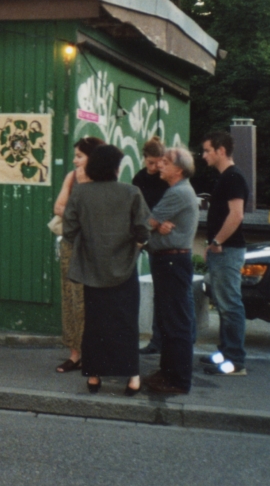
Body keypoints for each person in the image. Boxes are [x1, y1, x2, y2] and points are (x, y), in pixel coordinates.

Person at [63, 144, 151, 395]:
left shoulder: (81, 194)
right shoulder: (131, 192)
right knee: (125, 322)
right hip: (124, 267)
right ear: (115, 167)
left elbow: (69, 231)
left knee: (95, 324)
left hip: (92, 268)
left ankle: (94, 376)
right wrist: (135, 244)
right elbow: (143, 229)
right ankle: (132, 377)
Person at [143, 147, 200, 395]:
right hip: (169, 262)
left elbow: (147, 223)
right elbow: (153, 224)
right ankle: (167, 373)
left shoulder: (177, 193)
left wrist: (154, 228)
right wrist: (156, 228)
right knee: (169, 320)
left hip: (171, 263)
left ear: (179, 169)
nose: (159, 166)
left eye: (165, 162)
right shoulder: (177, 191)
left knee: (175, 322)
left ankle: (177, 379)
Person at [51, 135, 104, 374]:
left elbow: (99, 213)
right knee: (71, 298)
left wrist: (76, 211)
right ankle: (74, 354)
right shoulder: (71, 178)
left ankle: (92, 352)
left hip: (94, 248)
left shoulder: (104, 180)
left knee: (90, 301)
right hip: (71, 245)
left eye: (79, 156)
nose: (74, 161)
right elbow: (58, 207)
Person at [200, 130, 249, 376]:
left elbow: (236, 214)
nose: (203, 155)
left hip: (229, 249)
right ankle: (224, 354)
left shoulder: (233, 177)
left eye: (207, 150)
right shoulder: (226, 177)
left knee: (230, 304)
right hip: (222, 248)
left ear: (221, 151)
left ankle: (235, 362)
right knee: (223, 303)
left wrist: (217, 240)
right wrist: (213, 244)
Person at [133, 136, 169, 355]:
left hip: (157, 235)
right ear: (144, 159)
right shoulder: (139, 179)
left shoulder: (166, 178)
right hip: (143, 231)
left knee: (162, 289)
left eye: (159, 162)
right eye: (151, 163)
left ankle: (158, 340)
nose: (155, 167)